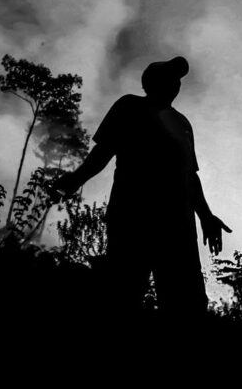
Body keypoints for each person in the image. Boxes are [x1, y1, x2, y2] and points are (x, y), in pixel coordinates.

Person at [51, 56, 231, 317]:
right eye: (171, 79)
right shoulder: (129, 106)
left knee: (187, 304)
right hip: (133, 220)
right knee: (123, 295)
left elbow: (190, 176)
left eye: (178, 80)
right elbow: (101, 155)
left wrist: (206, 217)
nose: (177, 85)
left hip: (178, 227)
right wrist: (71, 182)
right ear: (153, 84)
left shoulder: (182, 124)